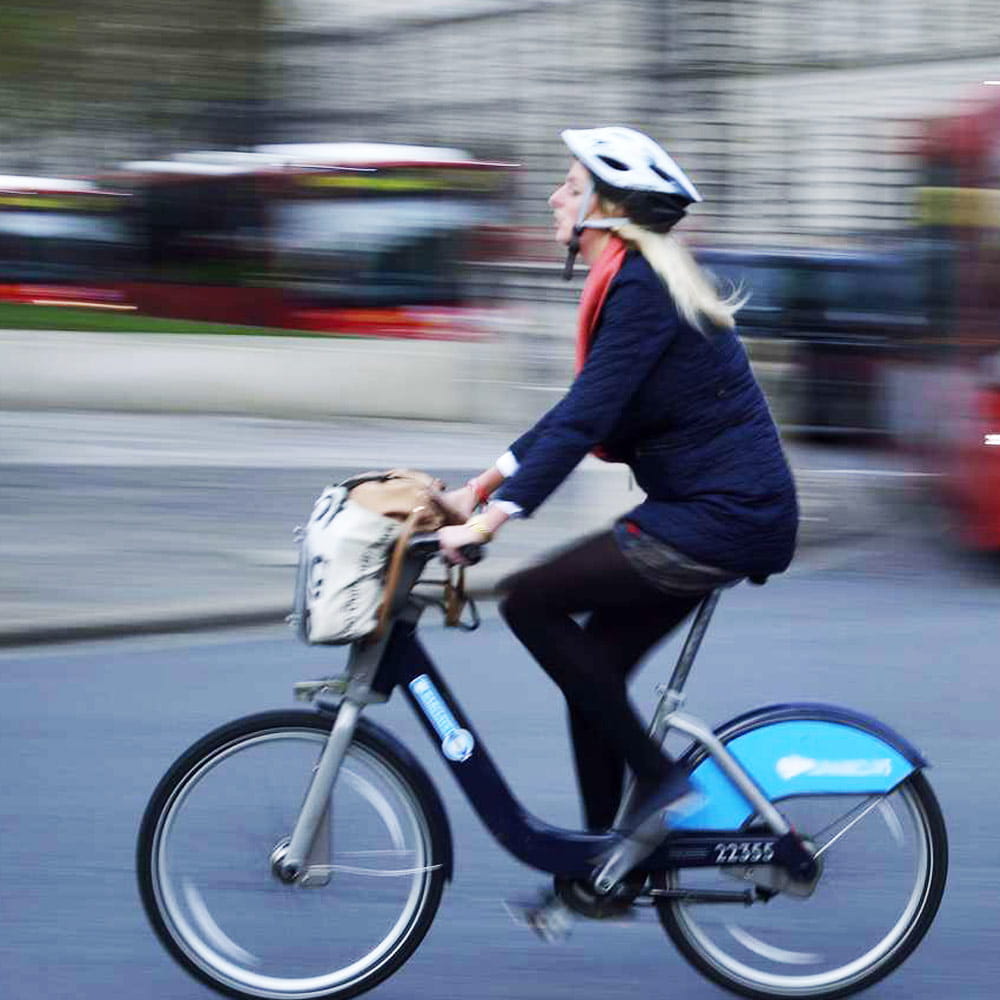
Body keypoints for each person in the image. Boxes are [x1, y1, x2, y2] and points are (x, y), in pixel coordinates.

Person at [438, 126, 797, 865]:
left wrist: (494, 521)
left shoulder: (640, 286)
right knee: (590, 672)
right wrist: (480, 487)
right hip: (710, 514)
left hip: (718, 519)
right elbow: (580, 407)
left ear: (606, 208)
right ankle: (604, 861)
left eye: (570, 187)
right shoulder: (638, 281)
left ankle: (663, 785)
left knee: (529, 600)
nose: (553, 198)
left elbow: (586, 418)